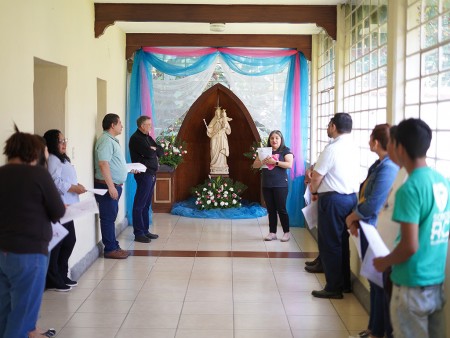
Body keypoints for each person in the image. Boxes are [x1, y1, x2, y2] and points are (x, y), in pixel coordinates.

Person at [374, 118, 450, 338]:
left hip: (410, 284)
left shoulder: (410, 188)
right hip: (436, 282)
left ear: (399, 147)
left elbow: (409, 246)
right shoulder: (441, 181)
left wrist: (383, 262)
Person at [0, 127, 65, 338]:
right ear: (34, 152)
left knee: (4, 311)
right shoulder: (38, 174)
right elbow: (58, 211)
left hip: (2, 252)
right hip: (29, 253)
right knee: (23, 315)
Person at [345, 124, 399, 338]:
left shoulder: (388, 168)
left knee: (380, 282)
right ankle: (373, 328)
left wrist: (352, 217)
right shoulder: (379, 164)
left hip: (377, 231)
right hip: (367, 227)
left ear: (376, 142)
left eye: (370, 138)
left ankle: (379, 331)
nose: (369, 141)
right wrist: (357, 219)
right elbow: (364, 193)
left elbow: (373, 205)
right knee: (374, 281)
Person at [308, 113, 360, 299]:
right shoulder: (355, 147)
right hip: (350, 199)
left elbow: (317, 175)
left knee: (330, 243)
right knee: (342, 243)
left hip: (333, 200)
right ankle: (344, 283)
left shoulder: (332, 148)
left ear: (333, 126)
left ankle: (333, 287)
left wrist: (314, 191)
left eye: (329, 125)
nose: (327, 128)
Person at [43, 129, 87, 291]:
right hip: (60, 206)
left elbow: (66, 179)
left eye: (64, 140)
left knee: (69, 241)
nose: (64, 144)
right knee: (60, 243)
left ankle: (62, 274)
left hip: (68, 206)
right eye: (60, 141)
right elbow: (55, 182)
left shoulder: (62, 159)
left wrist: (77, 186)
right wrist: (73, 188)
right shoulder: (53, 159)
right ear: (52, 144)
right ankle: (53, 278)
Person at [94, 113, 129, 259]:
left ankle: (113, 245)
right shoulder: (105, 141)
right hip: (107, 186)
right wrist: (111, 187)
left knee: (111, 216)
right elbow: (103, 164)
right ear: (112, 125)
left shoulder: (111, 140)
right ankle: (110, 249)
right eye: (119, 123)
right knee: (108, 218)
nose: (121, 125)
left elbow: (113, 163)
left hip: (113, 185)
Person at [253, 130, 294, 242]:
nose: (274, 140)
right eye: (272, 138)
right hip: (267, 184)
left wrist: (274, 162)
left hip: (280, 184)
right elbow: (255, 165)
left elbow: (289, 165)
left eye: (277, 138)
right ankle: (272, 232)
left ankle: (286, 232)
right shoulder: (265, 151)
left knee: (281, 209)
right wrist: (263, 161)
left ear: (281, 140)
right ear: (269, 140)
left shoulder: (286, 151)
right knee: (270, 210)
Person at [129, 116, 163, 243]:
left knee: (146, 204)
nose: (151, 126)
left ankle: (145, 230)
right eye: (148, 124)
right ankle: (138, 233)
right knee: (140, 204)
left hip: (151, 173)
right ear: (142, 125)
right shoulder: (136, 138)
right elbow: (149, 153)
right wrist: (153, 150)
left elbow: (160, 151)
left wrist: (154, 149)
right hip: (144, 174)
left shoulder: (147, 137)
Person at [207, 106, 231, 174]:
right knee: (213, 149)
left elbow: (228, 132)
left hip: (222, 137)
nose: (217, 114)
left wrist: (224, 124)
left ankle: (222, 165)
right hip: (215, 137)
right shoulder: (214, 120)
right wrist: (209, 129)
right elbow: (210, 128)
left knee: (221, 151)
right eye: (216, 112)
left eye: (219, 112)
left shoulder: (224, 120)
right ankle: (214, 164)